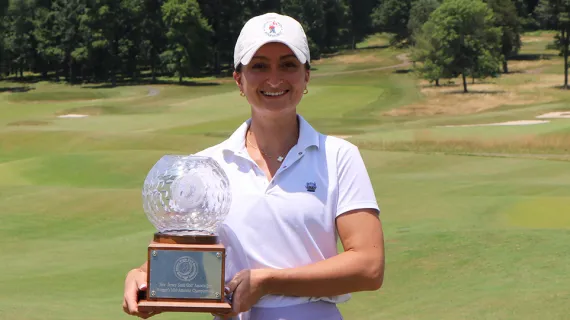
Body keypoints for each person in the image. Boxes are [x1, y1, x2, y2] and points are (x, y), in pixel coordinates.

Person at [123, 12, 385, 320]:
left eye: (288, 64)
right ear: (239, 79)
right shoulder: (206, 167)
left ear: (306, 75)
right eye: (259, 66)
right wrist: (142, 276)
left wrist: (267, 281)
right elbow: (184, 255)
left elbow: (369, 266)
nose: (274, 78)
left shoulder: (339, 156)